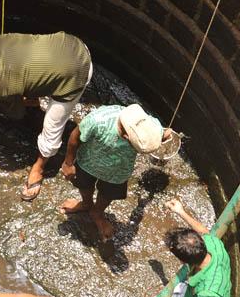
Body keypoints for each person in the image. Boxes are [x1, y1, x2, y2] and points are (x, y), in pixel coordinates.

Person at [0, 32, 93, 201]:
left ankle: (39, 168)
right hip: (74, 45)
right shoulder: (1, 42)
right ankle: (33, 95)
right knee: (28, 72)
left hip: (77, 73)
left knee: (52, 128)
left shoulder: (5, 87)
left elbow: (17, 114)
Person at [61, 103, 173, 241]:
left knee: (108, 193)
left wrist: (163, 135)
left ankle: (96, 213)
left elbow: (163, 133)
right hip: (89, 163)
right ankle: (86, 203)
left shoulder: (149, 124)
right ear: (126, 136)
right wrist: (68, 163)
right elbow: (75, 136)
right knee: (84, 185)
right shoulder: (98, 121)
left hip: (118, 172)